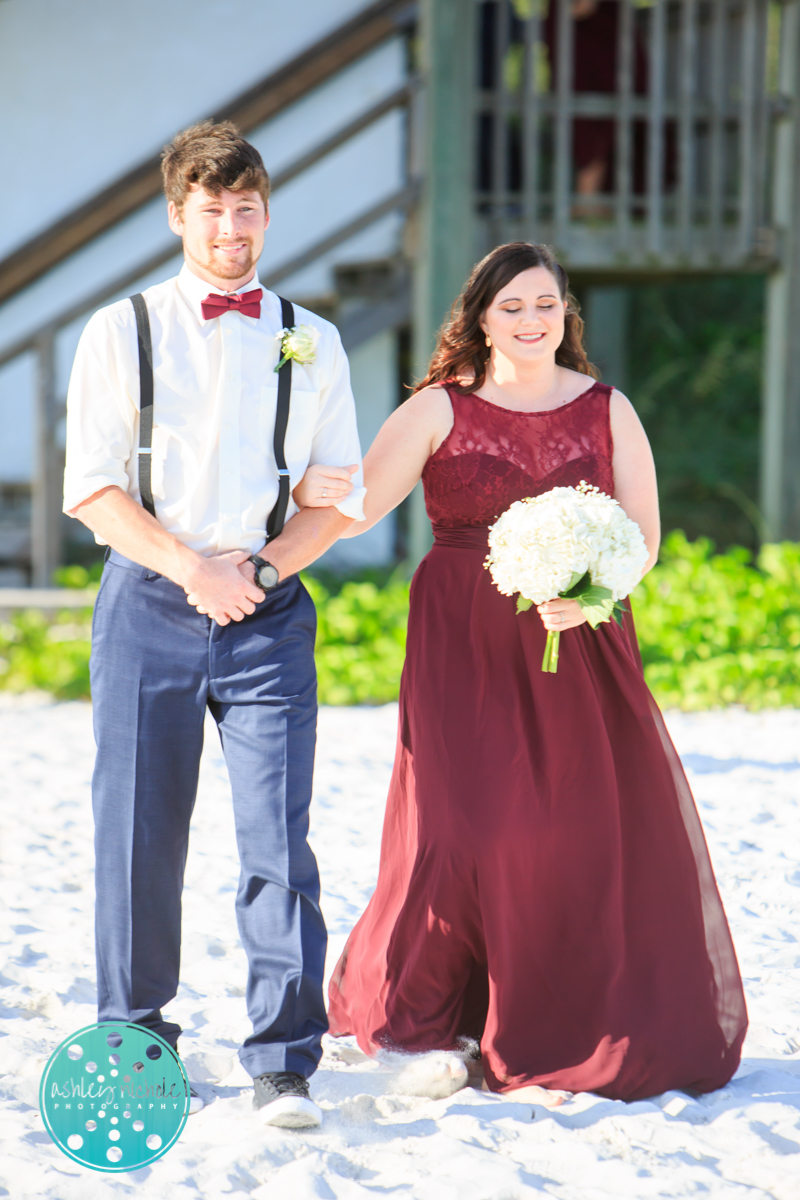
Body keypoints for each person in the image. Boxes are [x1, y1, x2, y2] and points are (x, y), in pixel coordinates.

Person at [294, 241, 748, 1101]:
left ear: (566, 313)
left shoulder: (608, 408)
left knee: (569, 826)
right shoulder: (438, 409)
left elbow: (644, 536)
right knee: (460, 824)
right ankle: (422, 1012)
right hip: (460, 638)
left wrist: (594, 593)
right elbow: (359, 511)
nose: (532, 321)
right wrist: (300, 484)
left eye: (547, 305)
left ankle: (554, 1012)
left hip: (579, 636)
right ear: (479, 318)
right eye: (513, 307)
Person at [62, 120, 365, 1129]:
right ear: (176, 215)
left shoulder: (311, 339)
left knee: (276, 834)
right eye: (211, 210)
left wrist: (265, 565)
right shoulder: (120, 331)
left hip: (268, 609)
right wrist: (192, 567)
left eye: (246, 209)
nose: (230, 228)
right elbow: (94, 490)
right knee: (138, 833)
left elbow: (341, 495)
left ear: (267, 212)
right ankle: (136, 1037)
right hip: (147, 600)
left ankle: (282, 1058)